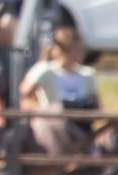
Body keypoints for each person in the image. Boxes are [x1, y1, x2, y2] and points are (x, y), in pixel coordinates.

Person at [20, 23, 101, 164]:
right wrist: (42, 110)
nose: (83, 53)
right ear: (67, 50)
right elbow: (23, 95)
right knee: (56, 113)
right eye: (79, 49)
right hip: (54, 124)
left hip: (81, 124)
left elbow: (97, 106)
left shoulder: (87, 74)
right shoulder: (46, 70)